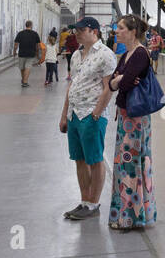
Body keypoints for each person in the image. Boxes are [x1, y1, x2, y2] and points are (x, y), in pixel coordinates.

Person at [57, 17, 117, 220]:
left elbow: (109, 87)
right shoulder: (75, 55)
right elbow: (72, 85)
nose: (77, 34)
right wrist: (64, 115)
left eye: (81, 30)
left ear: (94, 32)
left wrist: (97, 113)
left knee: (95, 159)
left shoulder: (106, 55)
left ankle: (93, 203)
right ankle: (84, 201)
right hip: (74, 114)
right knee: (80, 159)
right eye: (76, 30)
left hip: (91, 114)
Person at [106, 15, 156, 230]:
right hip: (126, 116)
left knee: (132, 164)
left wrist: (120, 80)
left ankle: (132, 216)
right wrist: (119, 80)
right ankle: (126, 214)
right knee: (125, 163)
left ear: (133, 32)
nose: (117, 31)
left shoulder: (140, 54)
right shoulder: (126, 54)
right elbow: (113, 83)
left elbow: (124, 82)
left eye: (121, 28)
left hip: (136, 118)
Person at [14, 20, 40, 87]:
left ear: (26, 25)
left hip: (22, 53)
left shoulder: (20, 33)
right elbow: (38, 45)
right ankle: (25, 81)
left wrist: (14, 51)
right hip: (31, 54)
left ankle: (24, 80)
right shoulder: (35, 34)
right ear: (31, 25)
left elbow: (16, 44)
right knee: (27, 67)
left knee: (22, 68)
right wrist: (37, 54)